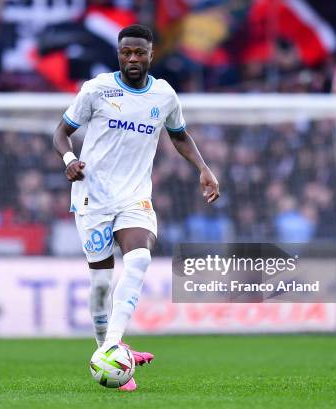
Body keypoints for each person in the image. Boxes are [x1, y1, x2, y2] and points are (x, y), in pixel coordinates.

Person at [53, 24, 220, 391]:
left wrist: (204, 169)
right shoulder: (96, 89)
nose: (132, 58)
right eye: (126, 52)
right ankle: (105, 348)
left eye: (139, 53)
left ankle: (113, 347)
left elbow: (179, 135)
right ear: (119, 53)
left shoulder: (163, 95)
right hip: (91, 196)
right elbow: (60, 132)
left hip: (134, 196)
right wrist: (69, 158)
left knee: (140, 258)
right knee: (100, 285)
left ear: (150, 54)